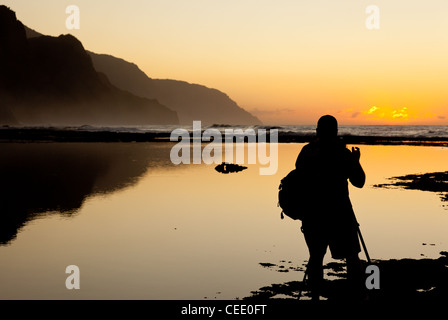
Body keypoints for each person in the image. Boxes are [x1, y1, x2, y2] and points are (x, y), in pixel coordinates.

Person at [295, 115, 366, 301]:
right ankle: (357, 296)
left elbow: (298, 179)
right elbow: (359, 182)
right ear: (336, 132)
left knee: (316, 258)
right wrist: (356, 161)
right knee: (352, 257)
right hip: (340, 213)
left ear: (317, 131)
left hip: (312, 215)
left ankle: (315, 298)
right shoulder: (343, 154)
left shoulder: (307, 151)